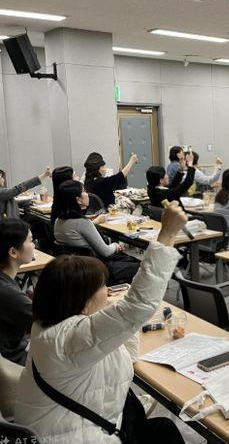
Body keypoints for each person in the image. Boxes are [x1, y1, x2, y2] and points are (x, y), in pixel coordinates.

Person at [14, 202, 187, 444]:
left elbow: (126, 350)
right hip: (74, 436)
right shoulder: (69, 339)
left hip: (67, 424)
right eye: (102, 287)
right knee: (161, 431)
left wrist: (117, 315)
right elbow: (139, 306)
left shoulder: (49, 326)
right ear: (82, 303)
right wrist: (167, 233)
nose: (108, 291)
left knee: (161, 427)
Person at [53, 180, 140, 284]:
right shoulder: (82, 223)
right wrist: (116, 245)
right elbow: (105, 251)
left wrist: (87, 218)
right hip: (97, 269)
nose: (87, 194)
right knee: (142, 267)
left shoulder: (58, 221)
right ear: (78, 200)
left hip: (76, 270)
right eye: (84, 191)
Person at [0, 219, 34, 365]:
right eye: (30, 240)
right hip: (13, 361)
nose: (34, 245)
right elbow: (45, 323)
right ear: (13, 252)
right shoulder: (8, 292)